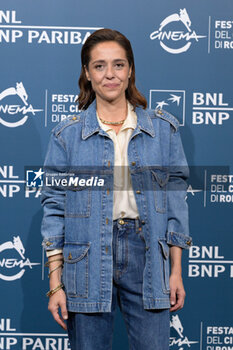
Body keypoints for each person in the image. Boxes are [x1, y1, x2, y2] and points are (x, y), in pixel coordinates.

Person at [41, 28, 192, 350]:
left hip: (149, 256)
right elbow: (54, 207)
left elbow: (176, 204)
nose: (110, 74)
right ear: (87, 72)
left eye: (118, 65)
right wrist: (56, 283)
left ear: (130, 69)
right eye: (99, 66)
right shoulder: (66, 136)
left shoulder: (163, 131)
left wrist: (175, 271)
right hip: (86, 257)